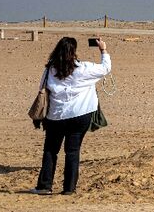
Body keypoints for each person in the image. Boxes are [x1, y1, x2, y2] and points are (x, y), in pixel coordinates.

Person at [29, 36, 111, 195]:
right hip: (80, 115)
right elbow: (106, 68)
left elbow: (42, 89)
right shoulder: (84, 68)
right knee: (72, 151)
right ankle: (69, 189)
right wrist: (103, 49)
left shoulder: (49, 70)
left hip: (56, 117)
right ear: (74, 52)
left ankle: (45, 186)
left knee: (51, 150)